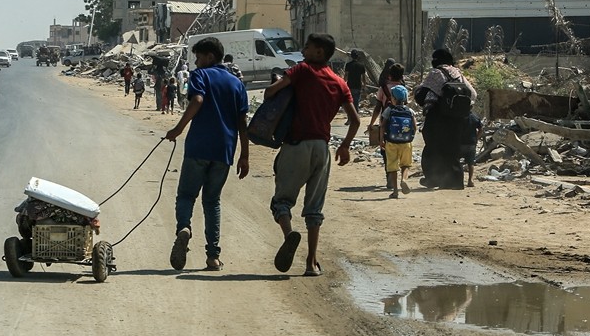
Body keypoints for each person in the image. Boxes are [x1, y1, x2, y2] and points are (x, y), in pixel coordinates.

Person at [262, 33, 359, 277]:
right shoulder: (339, 82)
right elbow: (355, 120)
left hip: (296, 145)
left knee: (282, 201)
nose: (303, 50)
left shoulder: (302, 70)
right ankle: (311, 262)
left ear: (319, 52)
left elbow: (271, 92)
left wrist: (275, 86)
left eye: (308, 47)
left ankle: (288, 235)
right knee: (315, 208)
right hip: (322, 148)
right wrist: (345, 146)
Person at [164, 37, 250, 271]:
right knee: (212, 202)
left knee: (186, 196)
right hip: (225, 150)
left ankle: (184, 227)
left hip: (198, 147)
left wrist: (178, 129)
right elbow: (242, 121)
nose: (196, 61)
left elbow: (198, 99)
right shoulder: (236, 84)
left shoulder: (201, 75)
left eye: (199, 57)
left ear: (210, 56)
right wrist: (245, 155)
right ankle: (213, 257)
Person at [413, 48, 477, 190]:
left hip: (437, 118)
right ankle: (454, 182)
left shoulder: (436, 73)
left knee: (432, 148)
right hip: (457, 119)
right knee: (452, 150)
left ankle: (432, 179)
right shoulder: (458, 74)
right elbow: (473, 94)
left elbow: (422, 95)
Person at [380, 84, 416, 199]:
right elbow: (414, 126)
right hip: (406, 143)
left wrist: (381, 140)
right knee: (405, 164)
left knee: (393, 167)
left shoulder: (389, 110)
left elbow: (382, 126)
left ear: (393, 98)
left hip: (391, 142)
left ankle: (395, 191)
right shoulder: (409, 111)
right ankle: (404, 179)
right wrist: (411, 137)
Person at [461, 111, 484, 188]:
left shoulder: (459, 116)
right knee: (470, 163)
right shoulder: (475, 117)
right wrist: (476, 139)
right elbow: (481, 130)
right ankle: (470, 180)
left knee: (456, 161)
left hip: (460, 143)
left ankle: (458, 180)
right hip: (471, 143)